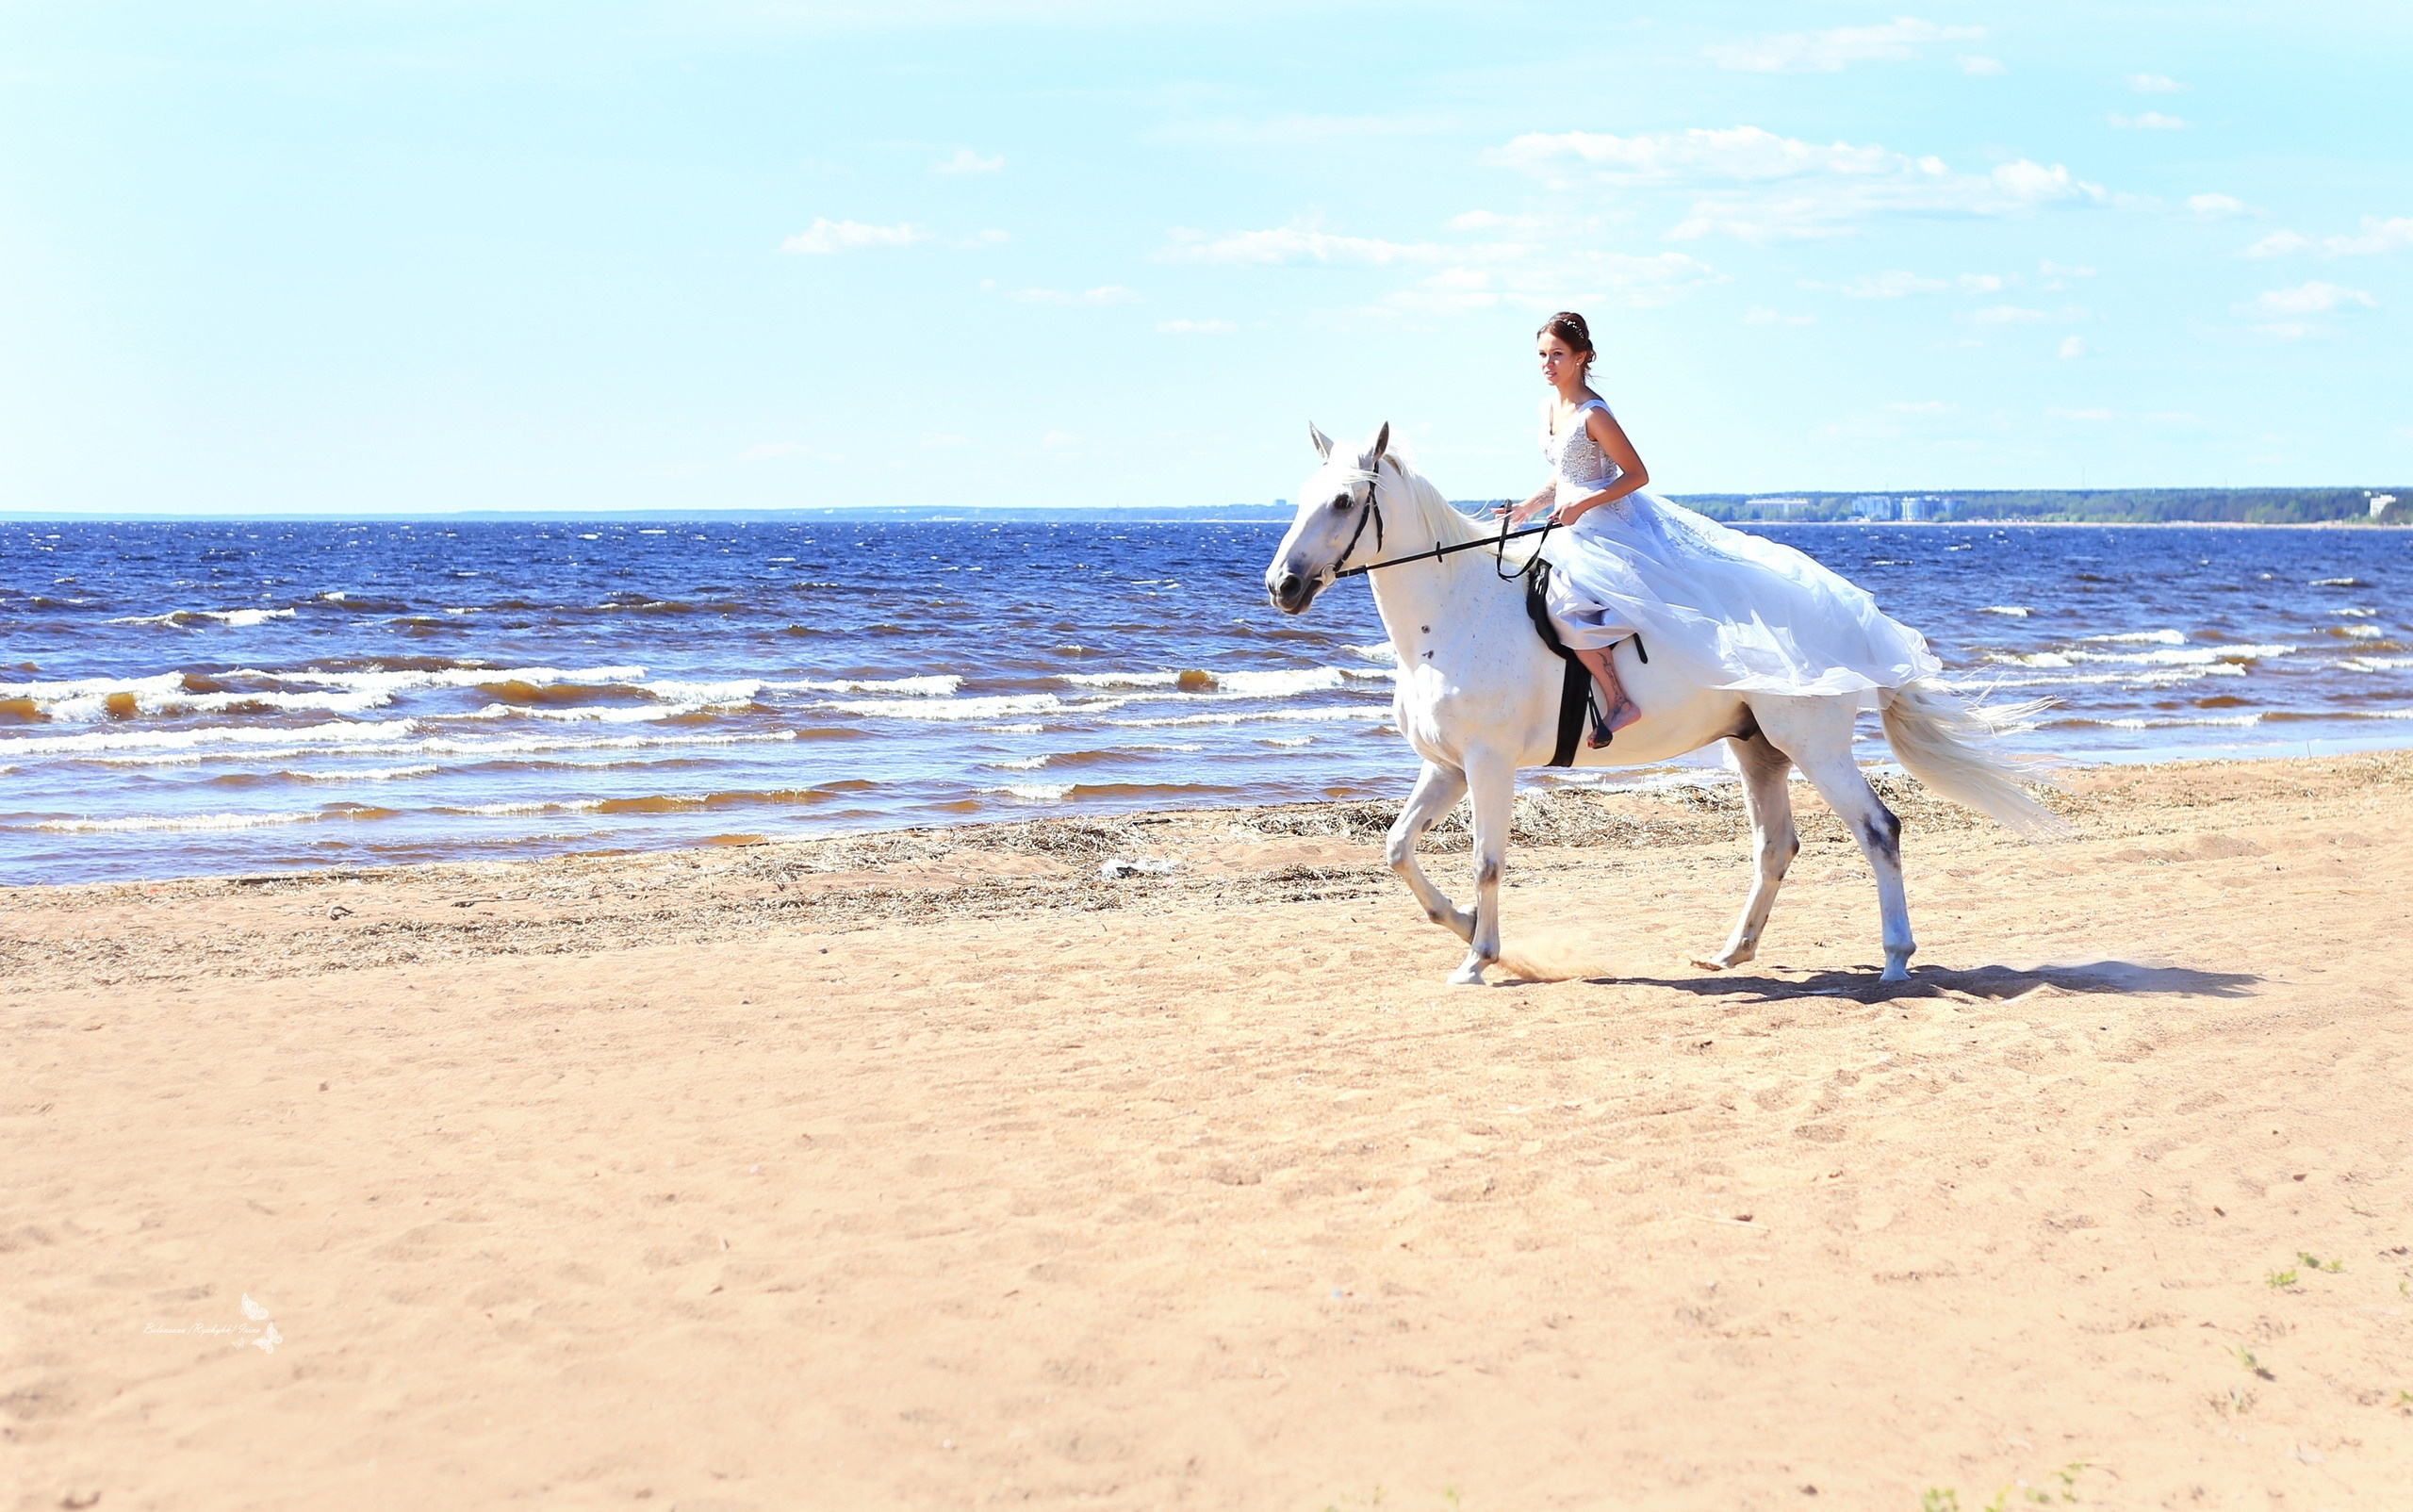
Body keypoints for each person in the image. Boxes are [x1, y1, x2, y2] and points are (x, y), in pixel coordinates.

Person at [1505, 310, 1943, 748]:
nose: (1547, 364)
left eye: (1557, 354)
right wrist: (1530, 505)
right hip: (1572, 524)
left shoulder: (1594, 414)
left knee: (1567, 608)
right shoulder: (1548, 408)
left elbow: (1636, 474)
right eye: (1542, 355)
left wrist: (1585, 503)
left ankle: (1622, 699)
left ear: (1582, 357)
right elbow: (1566, 471)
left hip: (1609, 528)